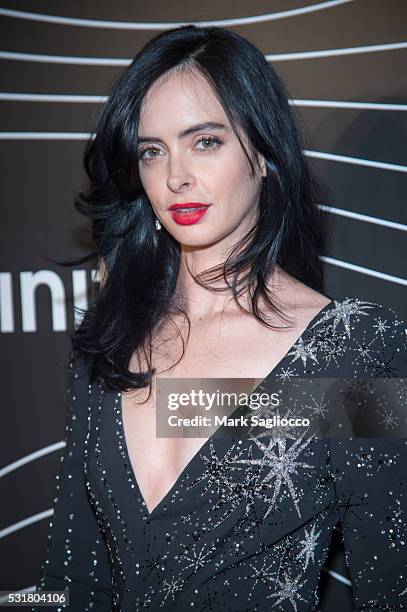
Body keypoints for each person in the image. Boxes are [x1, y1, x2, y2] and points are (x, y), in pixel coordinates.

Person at [33, 25, 407, 611]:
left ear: (263, 153)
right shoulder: (108, 341)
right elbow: (73, 578)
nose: (174, 175)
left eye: (205, 141)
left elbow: (393, 588)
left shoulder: (356, 348)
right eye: (151, 150)